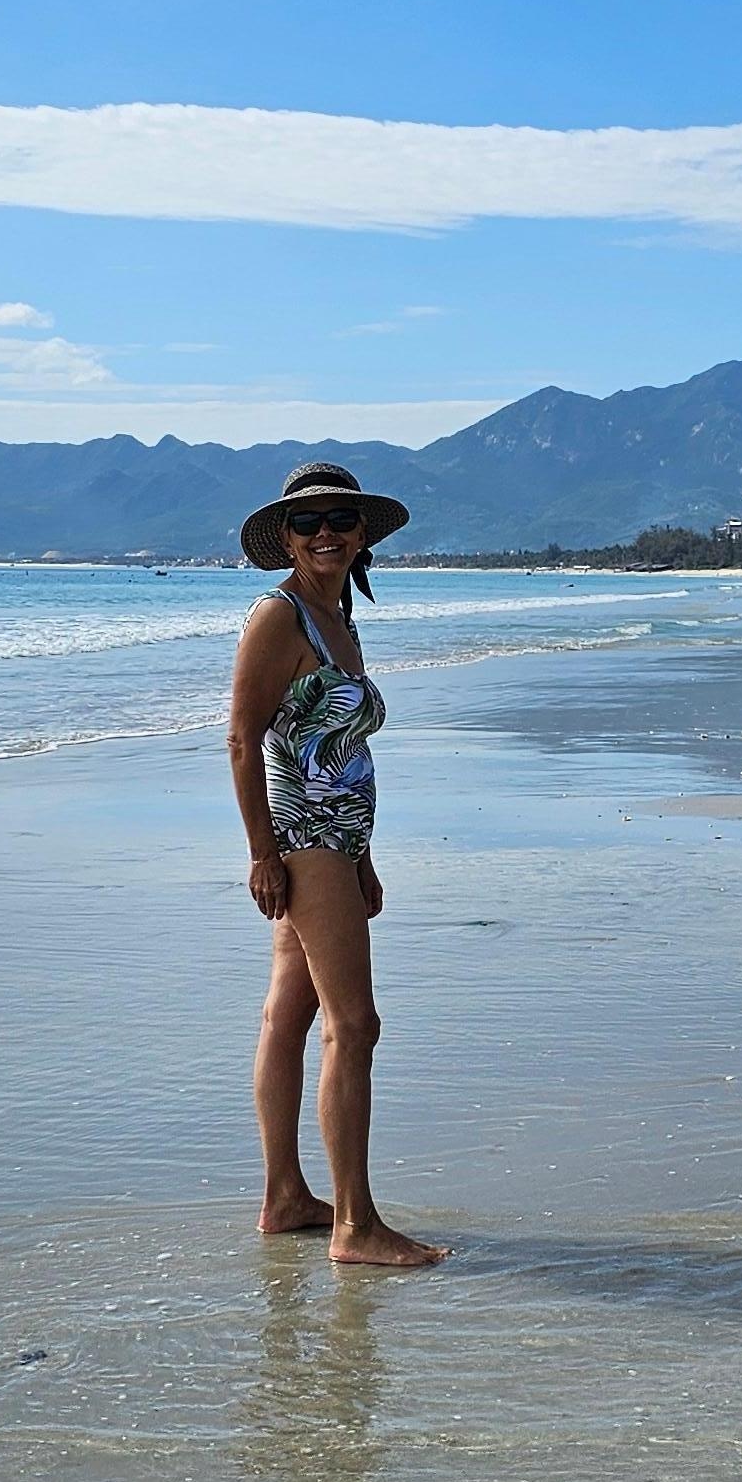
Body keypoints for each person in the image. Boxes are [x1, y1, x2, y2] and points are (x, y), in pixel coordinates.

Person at [228, 460, 446, 1271]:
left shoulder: (334, 617)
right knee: (355, 1026)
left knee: (289, 1016)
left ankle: (286, 1197)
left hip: (336, 841)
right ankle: (356, 1225)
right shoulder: (277, 616)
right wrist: (262, 854)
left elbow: (338, 751)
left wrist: (365, 858)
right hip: (302, 840)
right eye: (309, 522)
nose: (326, 533)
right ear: (286, 537)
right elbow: (245, 742)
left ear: (362, 538)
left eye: (341, 522)